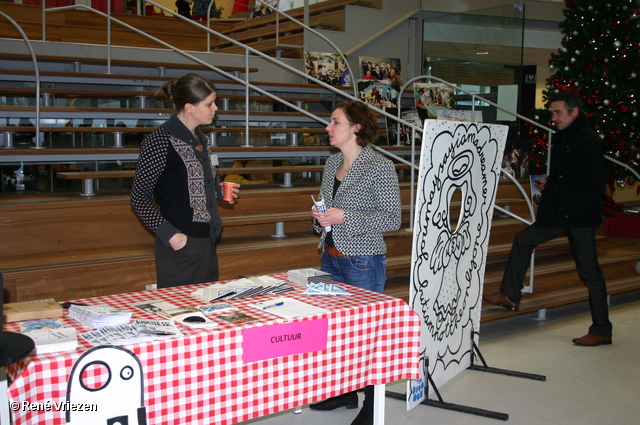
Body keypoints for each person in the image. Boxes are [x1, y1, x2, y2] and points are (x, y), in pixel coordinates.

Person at [484, 90, 612, 347]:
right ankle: (510, 295)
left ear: (574, 112)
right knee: (523, 239)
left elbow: (593, 184)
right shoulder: (570, 136)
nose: (553, 117)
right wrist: (551, 185)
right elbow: (570, 175)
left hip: (577, 216)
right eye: (552, 112)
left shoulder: (586, 140)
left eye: (558, 112)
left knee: (589, 272)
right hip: (562, 212)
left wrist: (566, 205)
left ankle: (601, 330)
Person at [309, 100, 402, 425]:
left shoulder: (379, 166)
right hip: (329, 258)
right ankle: (344, 392)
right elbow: (326, 218)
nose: (328, 128)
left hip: (363, 259)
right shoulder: (330, 164)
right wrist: (320, 219)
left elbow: (393, 218)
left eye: (335, 122)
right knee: (336, 333)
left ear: (356, 127)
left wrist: (345, 216)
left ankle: (371, 404)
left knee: (368, 336)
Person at [130, 73, 240, 288]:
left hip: (207, 240)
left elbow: (183, 184)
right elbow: (138, 198)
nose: (215, 108)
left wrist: (216, 193)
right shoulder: (159, 141)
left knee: (207, 311)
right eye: (209, 104)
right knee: (179, 314)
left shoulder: (202, 138)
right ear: (189, 107)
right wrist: (172, 236)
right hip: (180, 244)